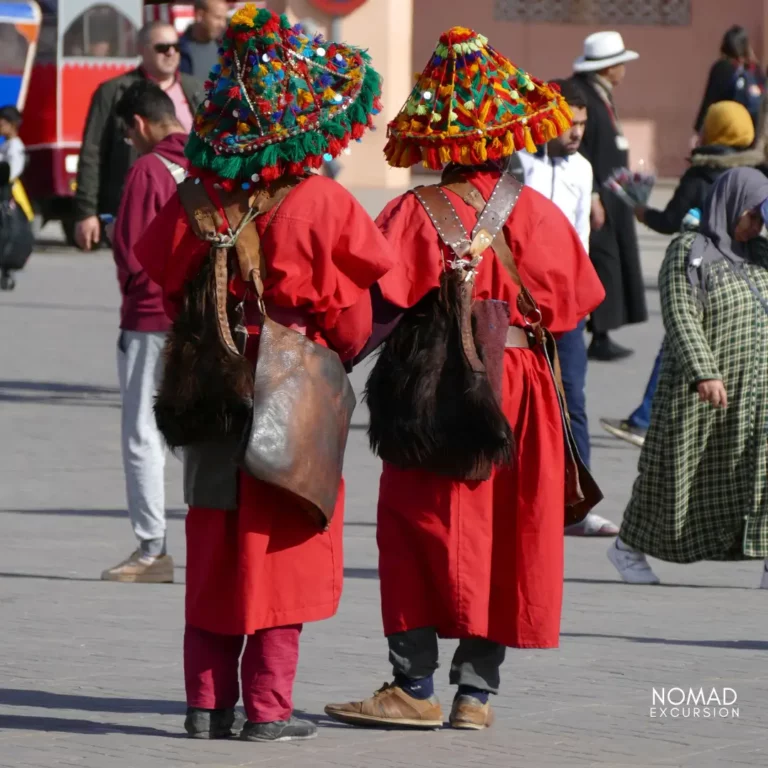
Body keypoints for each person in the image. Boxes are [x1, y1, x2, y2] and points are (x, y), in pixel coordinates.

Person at [324, 26, 605, 731]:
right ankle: (475, 696)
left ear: (436, 141)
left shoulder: (412, 214)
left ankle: (411, 683)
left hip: (432, 388)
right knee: (509, 534)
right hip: (519, 392)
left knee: (414, 526)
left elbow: (371, 312)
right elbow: (571, 316)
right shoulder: (538, 215)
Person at [134, 7, 392, 742]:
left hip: (211, 384)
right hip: (293, 390)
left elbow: (159, 280)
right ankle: (268, 710)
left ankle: (203, 704)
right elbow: (349, 322)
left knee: (213, 543)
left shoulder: (194, 199)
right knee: (283, 551)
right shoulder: (323, 202)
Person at [607, 168, 768, 586]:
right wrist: (703, 372)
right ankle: (627, 546)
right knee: (670, 476)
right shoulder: (688, 250)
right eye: (752, 216)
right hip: (700, 394)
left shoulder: (760, 254)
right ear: (730, 206)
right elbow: (681, 315)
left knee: (762, 471)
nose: (757, 226)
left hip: (758, 394)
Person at [601, 101, 760, 448]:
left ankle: (644, 420)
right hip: (744, 276)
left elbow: (670, 221)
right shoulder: (756, 173)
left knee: (678, 340)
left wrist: (642, 213)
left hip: (703, 272)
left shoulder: (701, 173)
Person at [512, 79, 617, 537]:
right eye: (568, 123)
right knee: (516, 403)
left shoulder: (582, 170)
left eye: (582, 123)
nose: (575, 132)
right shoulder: (519, 165)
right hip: (519, 306)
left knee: (572, 399)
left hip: (566, 308)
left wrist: (583, 300)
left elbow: (582, 238)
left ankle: (575, 504)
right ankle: (515, 497)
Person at [99, 82, 188, 584]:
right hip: (202, 319)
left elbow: (131, 253)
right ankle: (210, 541)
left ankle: (152, 550)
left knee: (143, 433)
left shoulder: (148, 170)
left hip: (151, 317)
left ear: (137, 125)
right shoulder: (209, 163)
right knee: (202, 430)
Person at [74, 21, 203, 252]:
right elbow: (92, 152)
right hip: (133, 212)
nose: (171, 52)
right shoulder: (114, 91)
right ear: (141, 49)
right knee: (136, 281)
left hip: (187, 212)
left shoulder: (196, 90)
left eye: (176, 46)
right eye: (162, 47)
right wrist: (86, 213)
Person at [572, 31, 648, 362]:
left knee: (612, 262)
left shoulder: (599, 95)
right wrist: (591, 196)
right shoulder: (583, 96)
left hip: (613, 193)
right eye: (620, 64)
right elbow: (583, 151)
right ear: (607, 68)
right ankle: (598, 334)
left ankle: (604, 332)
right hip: (598, 195)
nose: (624, 71)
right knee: (601, 261)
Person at [692, 26, 765, 147]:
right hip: (752, 135)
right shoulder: (755, 70)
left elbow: (709, 100)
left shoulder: (722, 67)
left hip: (725, 132)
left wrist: (698, 131)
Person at [0, 105, 32, 291]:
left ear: (11, 124)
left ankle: (7, 270)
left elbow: (10, 173)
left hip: (8, 198)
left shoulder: (15, 148)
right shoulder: (5, 145)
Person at [179, 0, 228, 78]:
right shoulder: (177, 51)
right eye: (218, 17)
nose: (223, 24)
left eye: (224, 19)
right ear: (199, 15)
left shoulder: (225, 48)